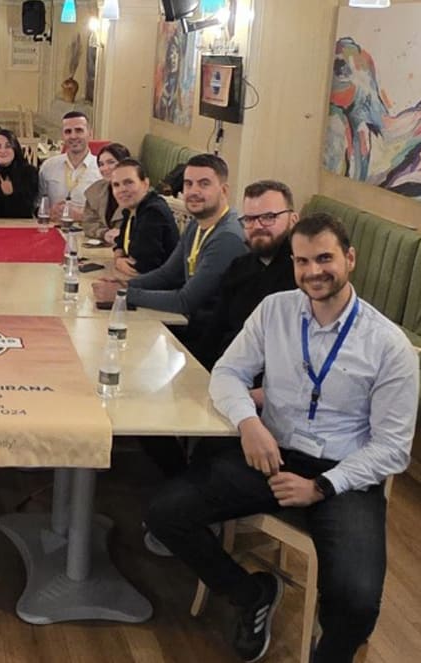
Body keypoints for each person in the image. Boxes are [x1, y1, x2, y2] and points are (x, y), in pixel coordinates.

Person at [146, 213, 418, 663]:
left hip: (342, 476)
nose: (314, 271)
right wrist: (249, 424)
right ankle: (250, 593)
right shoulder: (276, 310)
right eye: (302, 261)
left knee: (356, 602)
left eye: (325, 258)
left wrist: (321, 487)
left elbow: (392, 448)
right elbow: (229, 374)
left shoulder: (388, 345)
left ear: (350, 258)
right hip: (271, 456)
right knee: (164, 513)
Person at [93, 153, 247, 336]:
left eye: (204, 184)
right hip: (190, 325)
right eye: (189, 184)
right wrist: (124, 284)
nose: (194, 191)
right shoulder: (196, 224)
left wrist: (123, 295)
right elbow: (167, 275)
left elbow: (185, 301)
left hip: (209, 338)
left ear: (224, 191)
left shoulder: (226, 237)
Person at [193, 180, 299, 370]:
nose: (257, 226)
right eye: (249, 219)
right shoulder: (240, 267)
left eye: (269, 217)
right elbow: (214, 330)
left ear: (293, 220)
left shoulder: (302, 275)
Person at [109, 158, 179, 276]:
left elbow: (142, 267)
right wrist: (118, 258)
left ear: (145, 184)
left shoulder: (153, 212)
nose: (122, 190)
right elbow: (120, 242)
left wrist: (119, 262)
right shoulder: (130, 209)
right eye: (116, 185)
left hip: (160, 288)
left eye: (128, 182)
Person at [37, 111, 103, 224]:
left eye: (79, 130)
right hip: (53, 231)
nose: (73, 136)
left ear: (90, 134)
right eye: (68, 131)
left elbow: (110, 214)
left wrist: (81, 215)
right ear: (62, 136)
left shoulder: (101, 168)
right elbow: (36, 204)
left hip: (89, 233)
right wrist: (47, 211)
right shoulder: (48, 166)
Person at [82, 142, 132, 241]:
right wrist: (104, 233)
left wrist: (122, 234)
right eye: (101, 164)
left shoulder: (138, 193)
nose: (105, 168)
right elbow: (88, 223)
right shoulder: (95, 190)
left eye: (111, 162)